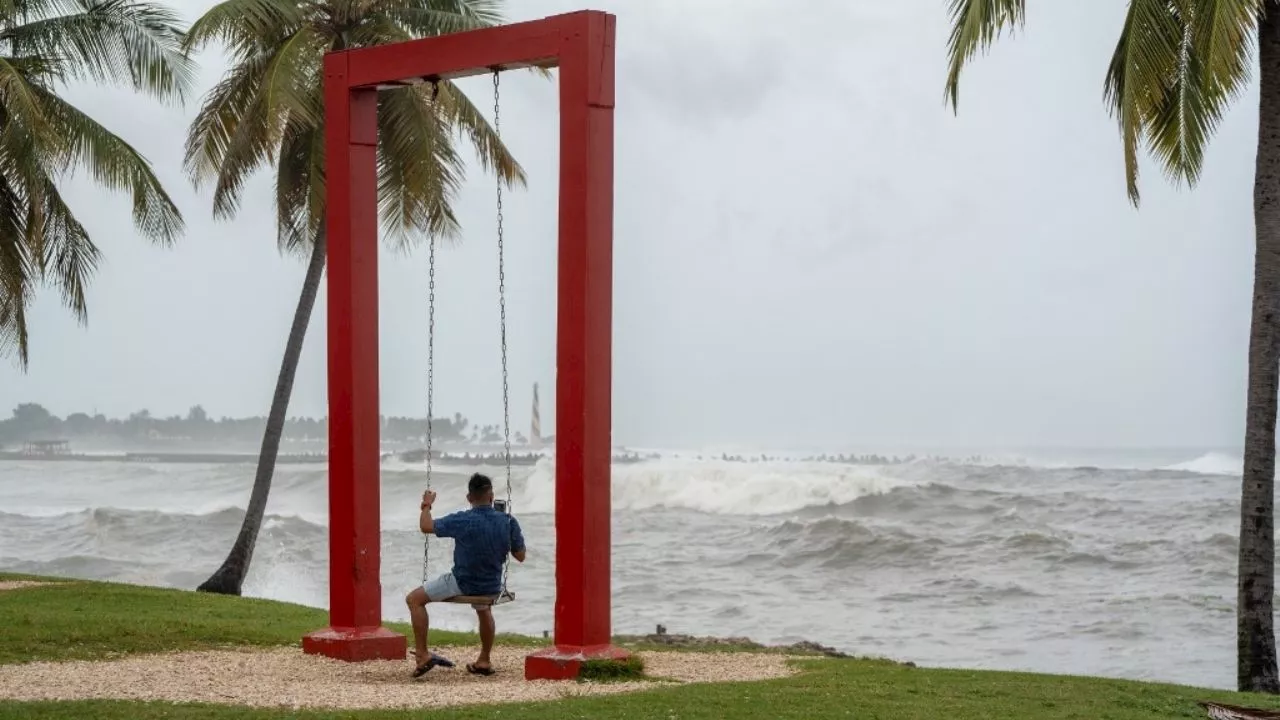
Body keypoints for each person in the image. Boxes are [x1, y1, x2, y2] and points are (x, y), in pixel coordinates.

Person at [406, 472, 526, 678]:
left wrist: (426, 504)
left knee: (414, 599)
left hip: (462, 583)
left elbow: (426, 526)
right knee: (484, 608)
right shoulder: (508, 521)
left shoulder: (463, 519)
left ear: (469, 498)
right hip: (491, 585)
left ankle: (423, 655)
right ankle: (484, 660)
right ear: (491, 496)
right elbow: (520, 555)